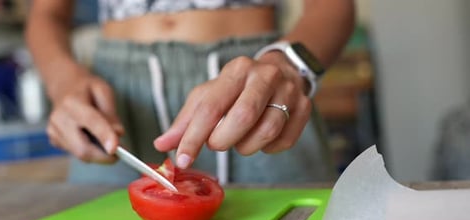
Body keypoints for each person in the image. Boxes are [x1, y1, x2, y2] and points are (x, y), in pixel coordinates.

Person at [25, 0, 355, 185]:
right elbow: (46, 14)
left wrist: (288, 64)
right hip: (115, 104)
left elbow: (333, 7)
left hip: (252, 88)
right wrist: (63, 82)